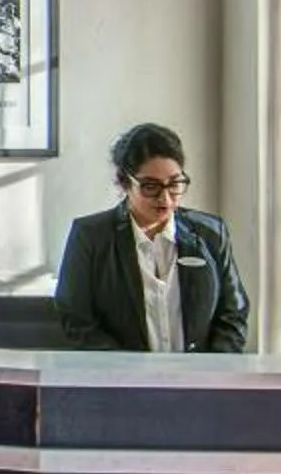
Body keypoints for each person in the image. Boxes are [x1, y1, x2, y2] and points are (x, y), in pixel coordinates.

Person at [50, 122, 250, 353]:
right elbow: (76, 319)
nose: (165, 198)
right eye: (150, 186)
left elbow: (233, 313)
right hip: (119, 381)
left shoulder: (211, 233)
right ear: (125, 182)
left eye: (175, 184)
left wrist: (213, 371)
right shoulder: (90, 236)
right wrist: (125, 372)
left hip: (200, 380)